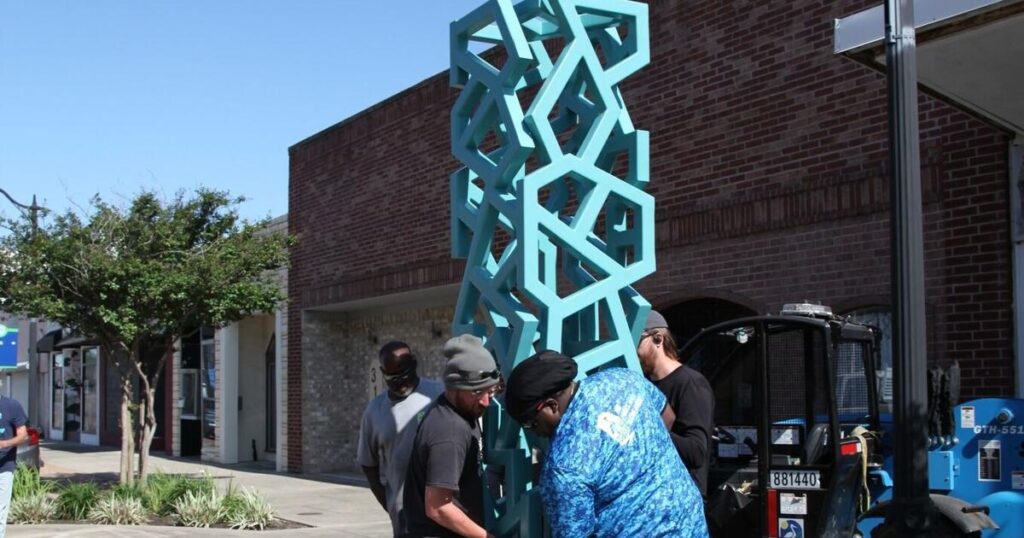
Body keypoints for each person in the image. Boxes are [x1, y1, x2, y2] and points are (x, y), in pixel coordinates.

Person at [504, 350, 708, 538]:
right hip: (689, 521)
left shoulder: (564, 467)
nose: (532, 431)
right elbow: (667, 417)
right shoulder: (622, 379)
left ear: (551, 405)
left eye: (530, 423)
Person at [402, 334, 501, 538]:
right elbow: (438, 507)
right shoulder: (449, 431)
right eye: (476, 392)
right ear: (455, 387)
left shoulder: (461, 411)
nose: (485, 402)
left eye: (491, 391)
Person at [357, 341, 444, 535]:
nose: (400, 382)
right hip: (404, 514)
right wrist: (388, 501)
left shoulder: (439, 394)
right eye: (392, 377)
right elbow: (368, 463)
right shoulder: (374, 411)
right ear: (382, 372)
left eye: (405, 373)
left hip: (445, 507)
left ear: (414, 364)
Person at [638, 310, 714, 497]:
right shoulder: (643, 384)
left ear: (658, 338)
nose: (632, 349)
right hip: (652, 497)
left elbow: (696, 452)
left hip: (682, 499)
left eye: (636, 341)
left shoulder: (690, 383)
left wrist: (650, 428)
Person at [0, 393, 27, 537]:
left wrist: (5, 443)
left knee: (0, 511)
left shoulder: (11, 406)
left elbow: (23, 435)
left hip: (4, 466)